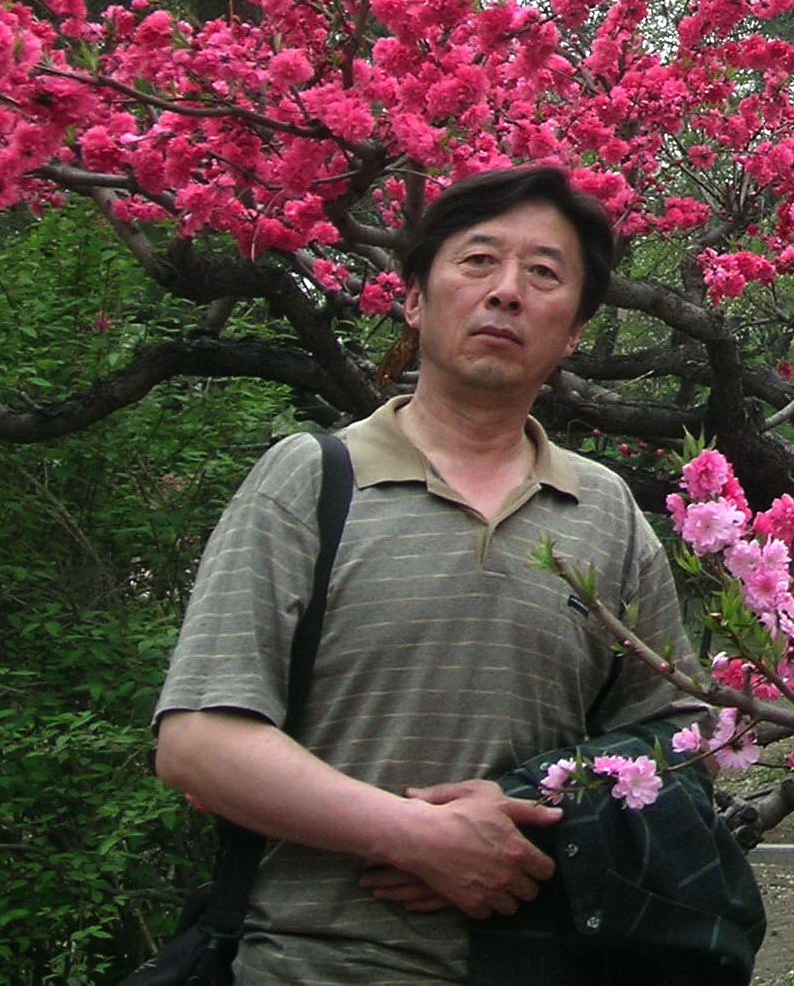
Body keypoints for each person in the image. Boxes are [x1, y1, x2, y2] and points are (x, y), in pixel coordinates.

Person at [154, 165, 704, 983]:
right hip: (309, 965)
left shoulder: (606, 510)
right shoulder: (310, 478)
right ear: (413, 298)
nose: (507, 292)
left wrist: (541, 801)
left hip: (538, 962)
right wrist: (413, 834)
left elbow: (683, 737)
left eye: (544, 274)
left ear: (573, 331)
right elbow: (197, 740)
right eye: (478, 261)